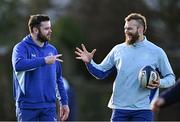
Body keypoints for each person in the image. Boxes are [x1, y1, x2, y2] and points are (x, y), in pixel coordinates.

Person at [75, 13, 175, 121]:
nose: (126, 31)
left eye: (130, 28)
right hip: (119, 109)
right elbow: (101, 73)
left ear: (140, 29)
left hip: (143, 110)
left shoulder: (157, 52)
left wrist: (160, 82)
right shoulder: (118, 50)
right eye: (125, 28)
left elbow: (171, 78)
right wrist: (89, 63)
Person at [12, 14, 69, 121]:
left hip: (49, 107)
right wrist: (44, 61)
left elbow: (58, 79)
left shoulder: (52, 50)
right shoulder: (20, 48)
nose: (50, 31)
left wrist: (64, 102)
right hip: (27, 107)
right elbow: (18, 65)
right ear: (35, 30)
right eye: (46, 28)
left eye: (50, 27)